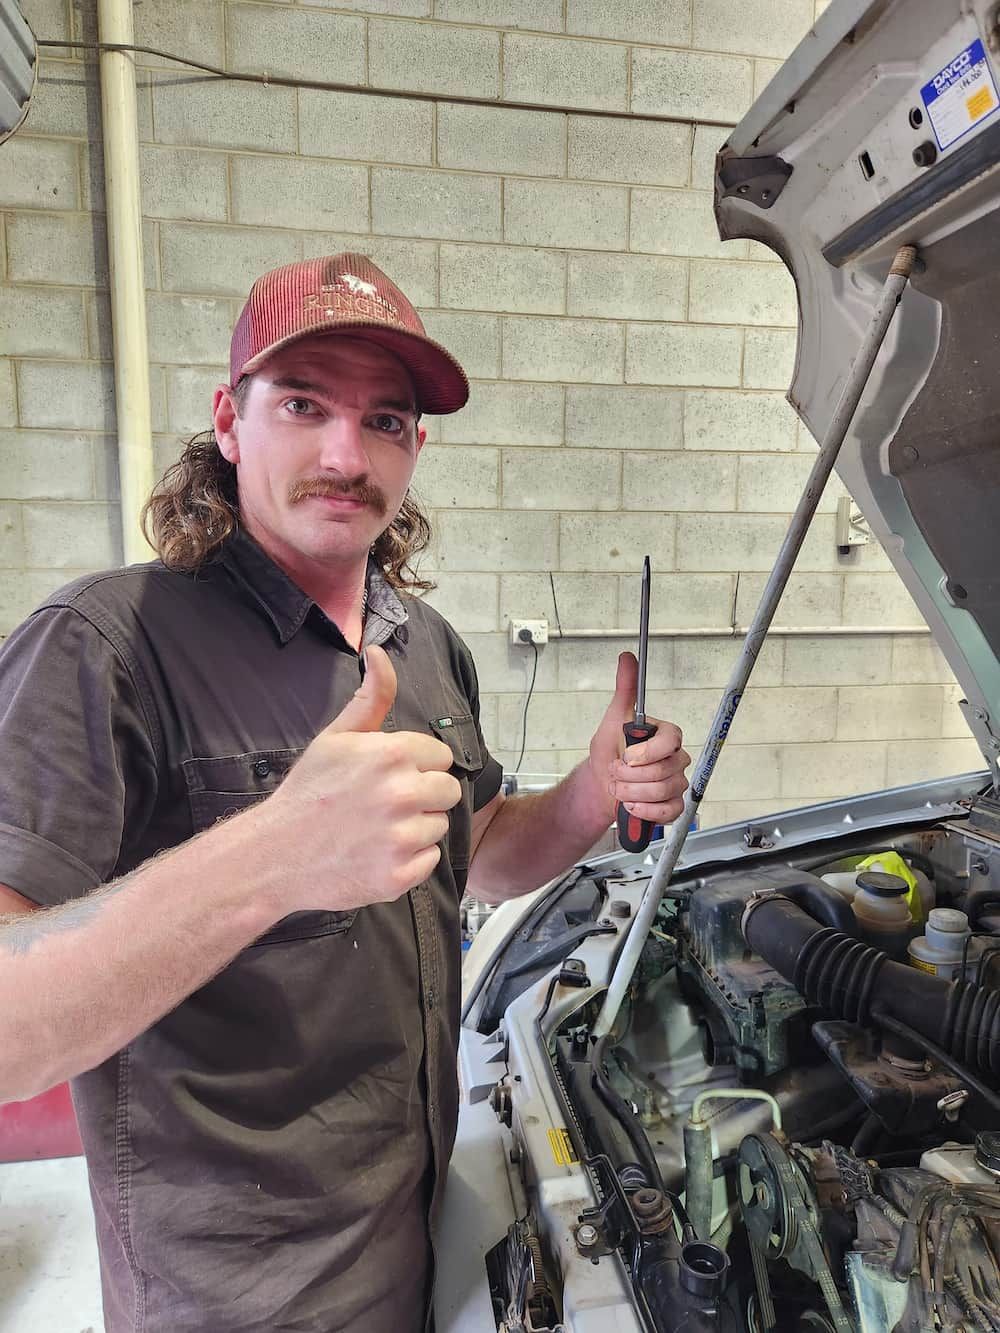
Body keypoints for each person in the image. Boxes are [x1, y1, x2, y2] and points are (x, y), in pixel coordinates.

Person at [0, 253, 690, 1332]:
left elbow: (477, 854)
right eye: (303, 403)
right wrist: (274, 856)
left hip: (413, 1246)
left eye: (386, 419)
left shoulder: (424, 647)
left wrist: (592, 792)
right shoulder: (103, 647)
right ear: (230, 423)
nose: (345, 452)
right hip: (238, 1301)